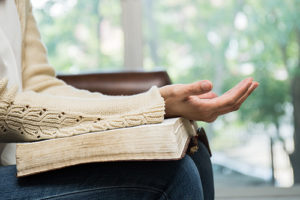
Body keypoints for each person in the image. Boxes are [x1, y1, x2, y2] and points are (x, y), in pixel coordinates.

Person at [0, 0, 259, 199]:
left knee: (194, 153)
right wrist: (153, 106)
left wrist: (156, 110)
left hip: (14, 159)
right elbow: (5, 109)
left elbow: (41, 86)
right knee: (172, 176)